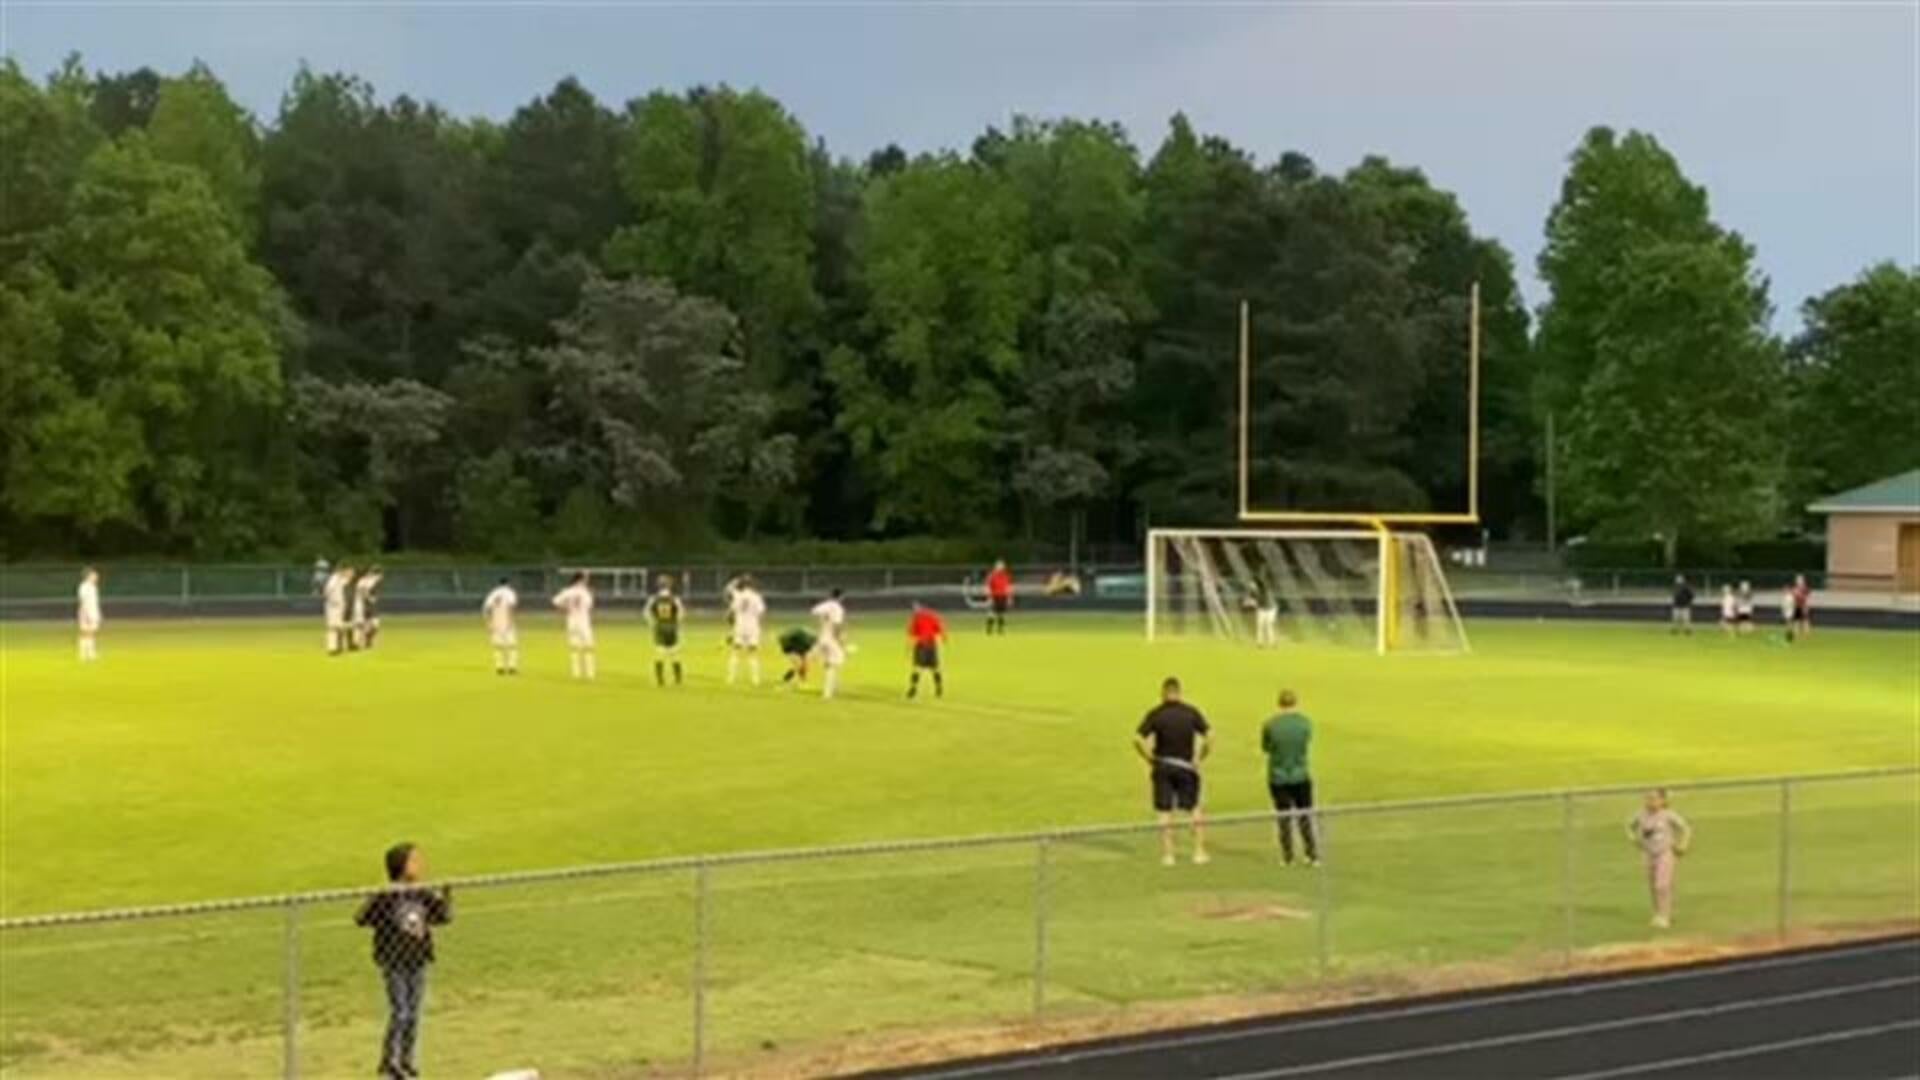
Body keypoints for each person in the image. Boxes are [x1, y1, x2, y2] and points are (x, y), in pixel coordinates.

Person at [354, 842, 452, 1079]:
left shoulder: (421, 892)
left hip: (417, 959)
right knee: (401, 1011)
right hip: (394, 961)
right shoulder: (389, 895)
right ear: (400, 866)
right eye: (414, 860)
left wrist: (445, 899)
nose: (420, 865)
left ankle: (407, 1059)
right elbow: (362, 918)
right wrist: (377, 898)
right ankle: (391, 1061)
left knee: (414, 1012)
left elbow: (442, 917)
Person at [1133, 677, 1211, 866]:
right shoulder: (1190, 712)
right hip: (1186, 767)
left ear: (1163, 693)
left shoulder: (1156, 714)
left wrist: (1149, 757)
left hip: (1163, 766)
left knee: (1164, 811)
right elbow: (1210, 736)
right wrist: (1199, 758)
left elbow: (1137, 738)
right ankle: (1199, 851)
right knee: (1194, 808)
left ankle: (1168, 855)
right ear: (1179, 692)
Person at [1261, 689, 1318, 866]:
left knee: (1283, 817)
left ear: (1280, 704)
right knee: (1305, 815)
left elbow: (1266, 747)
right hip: (1300, 775)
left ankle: (1288, 856)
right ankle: (1311, 853)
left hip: (1278, 777)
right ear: (1295, 703)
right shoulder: (1304, 723)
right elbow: (1306, 743)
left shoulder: (1270, 725)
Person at [1626, 790, 1692, 929]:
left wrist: (1683, 844)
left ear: (1662, 801)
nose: (1650, 801)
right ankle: (1658, 913)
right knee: (1652, 885)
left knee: (1662, 885)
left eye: (1654, 799)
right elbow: (1629, 825)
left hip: (1665, 853)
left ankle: (1665, 916)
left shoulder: (1668, 815)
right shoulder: (1641, 814)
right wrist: (1633, 839)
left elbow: (1685, 828)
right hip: (1648, 853)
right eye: (1648, 798)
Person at [552, 572, 596, 681]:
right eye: (585, 579)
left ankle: (576, 672)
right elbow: (589, 606)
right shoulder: (585, 592)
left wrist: (565, 609)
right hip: (583, 621)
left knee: (574, 647)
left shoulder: (567, 591)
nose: (587, 581)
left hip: (571, 621)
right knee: (588, 647)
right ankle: (589, 672)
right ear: (580, 580)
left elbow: (555, 601)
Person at [727, 575, 767, 687]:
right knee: (753, 653)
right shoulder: (756, 597)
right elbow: (761, 613)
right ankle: (755, 680)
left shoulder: (738, 596)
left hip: (740, 626)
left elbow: (732, 610)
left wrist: (735, 581)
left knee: (735, 651)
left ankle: (731, 678)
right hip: (753, 626)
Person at [810, 588, 849, 699]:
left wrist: (822, 621)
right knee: (835, 663)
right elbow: (837, 625)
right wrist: (840, 640)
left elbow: (814, 611)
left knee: (829, 663)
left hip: (822, 637)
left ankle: (834, 687)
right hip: (831, 639)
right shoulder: (838, 608)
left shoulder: (824, 605)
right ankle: (828, 692)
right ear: (841, 597)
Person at [648, 575, 686, 687]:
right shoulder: (674, 598)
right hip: (672, 627)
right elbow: (681, 613)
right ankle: (678, 679)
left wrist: (653, 623)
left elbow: (646, 613)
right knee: (675, 653)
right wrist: (677, 623)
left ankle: (660, 679)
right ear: (669, 586)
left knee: (659, 653)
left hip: (660, 627)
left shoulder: (654, 598)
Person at [906, 601, 947, 700]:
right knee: (935, 668)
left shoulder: (916, 618)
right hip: (931, 645)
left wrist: (908, 647)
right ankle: (938, 688)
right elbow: (940, 628)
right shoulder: (932, 615)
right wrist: (944, 638)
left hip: (922, 645)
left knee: (917, 668)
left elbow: (912, 633)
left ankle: (913, 689)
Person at [481, 577, 519, 675]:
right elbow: (511, 607)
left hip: (495, 622)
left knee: (497, 646)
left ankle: (499, 667)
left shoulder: (492, 593)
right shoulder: (510, 592)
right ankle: (512, 667)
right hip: (507, 622)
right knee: (512, 646)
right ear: (508, 583)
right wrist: (511, 620)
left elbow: (486, 609)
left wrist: (488, 623)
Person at [324, 565, 354, 656]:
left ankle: (338, 647)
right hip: (334, 606)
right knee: (333, 628)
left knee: (339, 627)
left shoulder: (340, 580)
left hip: (339, 606)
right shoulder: (333, 580)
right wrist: (332, 601)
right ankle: (332, 648)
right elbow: (327, 592)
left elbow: (347, 581)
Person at [353, 566, 384, 651]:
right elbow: (362, 592)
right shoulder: (364, 581)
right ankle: (359, 642)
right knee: (364, 625)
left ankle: (367, 641)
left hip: (370, 606)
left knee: (375, 625)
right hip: (364, 605)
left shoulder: (375, 582)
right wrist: (369, 597)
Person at [76, 567, 102, 663]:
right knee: (85, 633)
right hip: (86, 612)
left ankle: (91, 653)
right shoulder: (84, 587)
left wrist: (97, 613)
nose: (96, 577)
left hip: (93, 611)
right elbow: (83, 601)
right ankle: (84, 654)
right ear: (88, 576)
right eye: (94, 575)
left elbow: (95, 601)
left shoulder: (94, 587)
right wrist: (85, 613)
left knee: (92, 633)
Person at [985, 560, 1014, 636]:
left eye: (1002, 566)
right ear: (996, 567)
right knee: (991, 613)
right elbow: (988, 587)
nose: (1001, 568)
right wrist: (989, 597)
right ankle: (989, 629)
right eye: (999, 566)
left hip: (1003, 596)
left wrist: (1009, 598)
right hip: (994, 596)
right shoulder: (992, 575)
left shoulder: (1006, 576)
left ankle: (1000, 630)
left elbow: (1008, 587)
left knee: (1001, 614)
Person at [1251, 575, 1280, 648]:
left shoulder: (1264, 589)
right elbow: (1255, 600)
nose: (1251, 586)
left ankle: (1272, 643)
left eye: (1252, 584)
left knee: (1269, 625)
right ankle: (1260, 643)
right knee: (1260, 626)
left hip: (1270, 609)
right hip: (1262, 609)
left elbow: (1260, 600)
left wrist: (1253, 602)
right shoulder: (1254, 591)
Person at [1791, 574, 1813, 639]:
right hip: (1797, 606)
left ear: (1802, 580)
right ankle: (1796, 633)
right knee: (1796, 620)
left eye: (1799, 580)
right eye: (1797, 580)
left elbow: (1807, 597)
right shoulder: (1795, 588)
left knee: (1805, 620)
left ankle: (1807, 633)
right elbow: (1793, 596)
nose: (1798, 581)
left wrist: (1799, 595)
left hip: (1803, 606)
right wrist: (1794, 594)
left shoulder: (1805, 588)